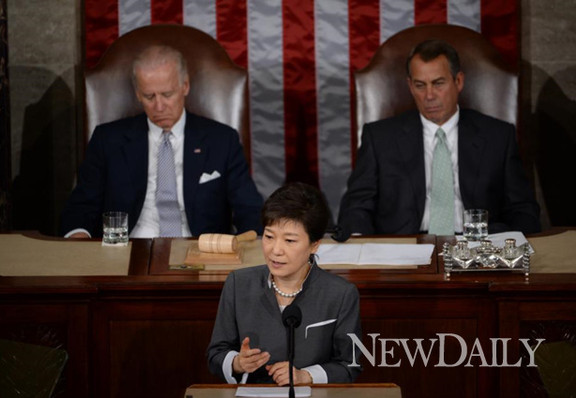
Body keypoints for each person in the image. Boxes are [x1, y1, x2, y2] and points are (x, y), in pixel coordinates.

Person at [338, 39, 541, 236]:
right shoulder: (380, 138)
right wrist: (363, 248)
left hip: (475, 247)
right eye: (420, 85)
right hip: (403, 250)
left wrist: (500, 241)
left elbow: (523, 210)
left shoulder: (498, 136)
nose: (429, 95)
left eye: (438, 83)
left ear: (458, 81)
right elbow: (355, 207)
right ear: (410, 86)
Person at [60, 45, 263, 238]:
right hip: (127, 251)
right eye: (149, 96)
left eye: (167, 94)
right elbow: (82, 205)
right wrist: (80, 242)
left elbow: (249, 208)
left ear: (185, 86)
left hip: (199, 253)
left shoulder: (222, 140)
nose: (159, 106)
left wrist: (250, 247)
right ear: (138, 94)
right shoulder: (108, 140)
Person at [207, 182, 362, 385]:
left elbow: (350, 365)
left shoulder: (340, 294)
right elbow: (215, 354)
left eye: (289, 241)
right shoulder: (238, 284)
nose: (276, 250)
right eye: (269, 237)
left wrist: (306, 376)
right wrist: (237, 363)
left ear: (314, 244)